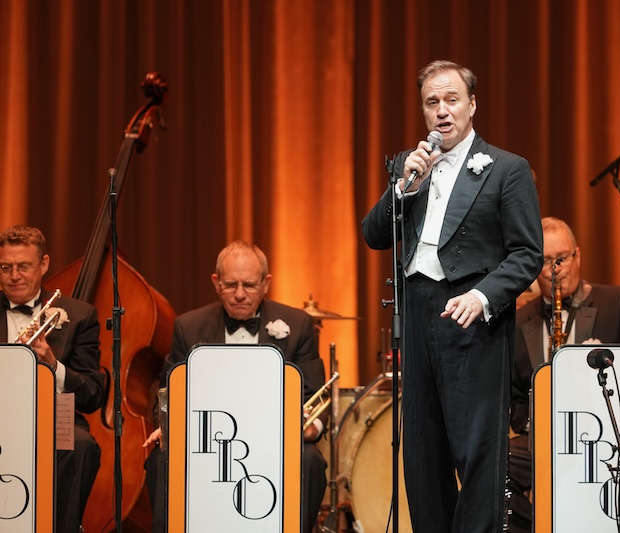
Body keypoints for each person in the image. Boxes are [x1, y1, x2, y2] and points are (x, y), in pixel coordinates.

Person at [362, 59, 543, 532]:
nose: (442, 111)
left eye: (451, 99)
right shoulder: (409, 166)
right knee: (422, 451)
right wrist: (402, 188)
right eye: (432, 102)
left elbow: (527, 254)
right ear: (424, 111)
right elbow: (374, 234)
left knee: (478, 452)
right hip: (418, 318)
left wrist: (483, 297)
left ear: (472, 104)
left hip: (472, 319)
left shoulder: (506, 168)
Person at [143, 240, 327, 533]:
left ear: (266, 283)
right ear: (216, 283)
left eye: (249, 285)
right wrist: (167, 425)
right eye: (230, 285)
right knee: (161, 461)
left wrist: (309, 428)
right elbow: (168, 392)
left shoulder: (298, 324)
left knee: (310, 461)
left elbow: (314, 395)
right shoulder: (187, 327)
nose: (240, 294)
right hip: (207, 441)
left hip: (275, 441)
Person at [507, 217, 620, 533]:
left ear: (578, 256)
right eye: (544, 261)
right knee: (495, 468)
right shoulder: (516, 321)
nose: (556, 270)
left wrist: (615, 363)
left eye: (562, 259)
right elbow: (511, 395)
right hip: (544, 438)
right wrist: (531, 420)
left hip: (611, 435)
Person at [0, 225, 105, 533]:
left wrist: (52, 363)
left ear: (44, 265)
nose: (14, 275)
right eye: (6, 268)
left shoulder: (79, 314)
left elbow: (92, 393)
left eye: (24, 267)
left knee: (80, 444)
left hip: (55, 412)